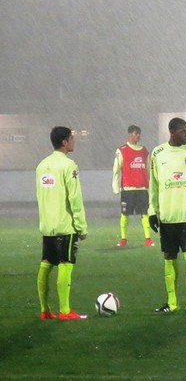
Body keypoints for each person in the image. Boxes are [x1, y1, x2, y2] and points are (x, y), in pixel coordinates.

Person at [148, 118, 186, 314]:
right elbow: (153, 186)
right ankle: (171, 302)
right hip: (168, 216)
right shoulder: (158, 154)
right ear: (172, 131)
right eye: (184, 131)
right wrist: (152, 211)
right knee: (169, 257)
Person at [36, 126, 89, 320]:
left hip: (48, 225)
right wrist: (81, 227)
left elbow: (41, 195)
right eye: (72, 138)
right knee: (66, 264)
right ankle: (65, 311)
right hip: (65, 225)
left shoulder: (41, 165)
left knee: (47, 263)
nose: (74, 141)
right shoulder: (69, 166)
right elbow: (75, 198)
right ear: (65, 142)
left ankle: (44, 310)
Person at [112, 125, 153, 247]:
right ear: (130, 134)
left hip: (142, 189)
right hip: (128, 189)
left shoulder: (144, 150)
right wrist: (116, 186)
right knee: (124, 214)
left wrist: (151, 186)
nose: (138, 136)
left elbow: (148, 169)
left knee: (145, 213)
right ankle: (123, 239)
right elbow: (116, 169)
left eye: (139, 133)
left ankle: (148, 239)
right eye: (136, 133)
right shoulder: (122, 150)